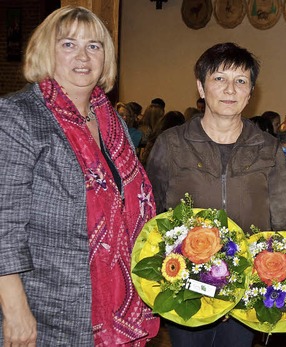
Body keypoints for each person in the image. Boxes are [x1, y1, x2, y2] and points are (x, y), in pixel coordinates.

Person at [0, 6, 159, 345]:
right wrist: (15, 311)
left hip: (116, 308)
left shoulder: (111, 123)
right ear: (46, 50)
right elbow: (4, 225)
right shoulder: (18, 117)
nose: (83, 56)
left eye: (94, 46)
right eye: (69, 44)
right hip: (46, 311)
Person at [146, 42, 286, 347]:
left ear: (250, 92)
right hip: (185, 290)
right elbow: (151, 217)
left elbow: (282, 223)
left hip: (245, 291)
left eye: (240, 81)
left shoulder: (268, 148)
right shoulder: (171, 144)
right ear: (201, 87)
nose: (230, 89)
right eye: (219, 79)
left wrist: (275, 280)